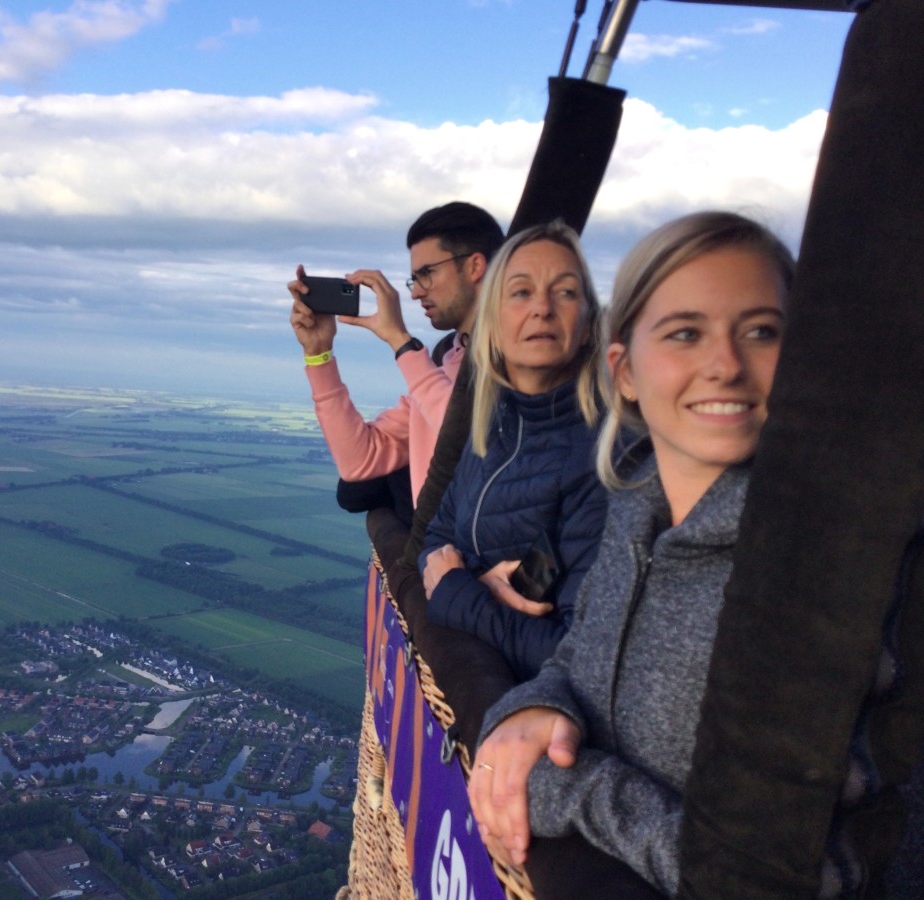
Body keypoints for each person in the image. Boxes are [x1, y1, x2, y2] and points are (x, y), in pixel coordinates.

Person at [467, 210, 795, 899]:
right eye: (685, 333)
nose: (727, 365)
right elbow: (579, 650)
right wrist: (530, 711)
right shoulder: (636, 509)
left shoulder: (817, 569)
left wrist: (570, 786)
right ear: (625, 371)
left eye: (762, 331)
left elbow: (789, 874)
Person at [418, 221, 608, 683]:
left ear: (587, 326)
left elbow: (578, 655)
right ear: (493, 323)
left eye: (565, 293)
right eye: (520, 292)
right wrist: (474, 587)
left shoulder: (603, 457)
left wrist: (459, 596)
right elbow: (434, 542)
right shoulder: (493, 427)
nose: (542, 308)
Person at [288, 202, 504, 510]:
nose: (416, 292)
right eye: (413, 279)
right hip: (438, 556)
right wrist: (318, 354)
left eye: (426, 274)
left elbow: (476, 445)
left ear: (474, 266)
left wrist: (400, 341)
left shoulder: (521, 358)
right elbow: (359, 460)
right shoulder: (447, 361)